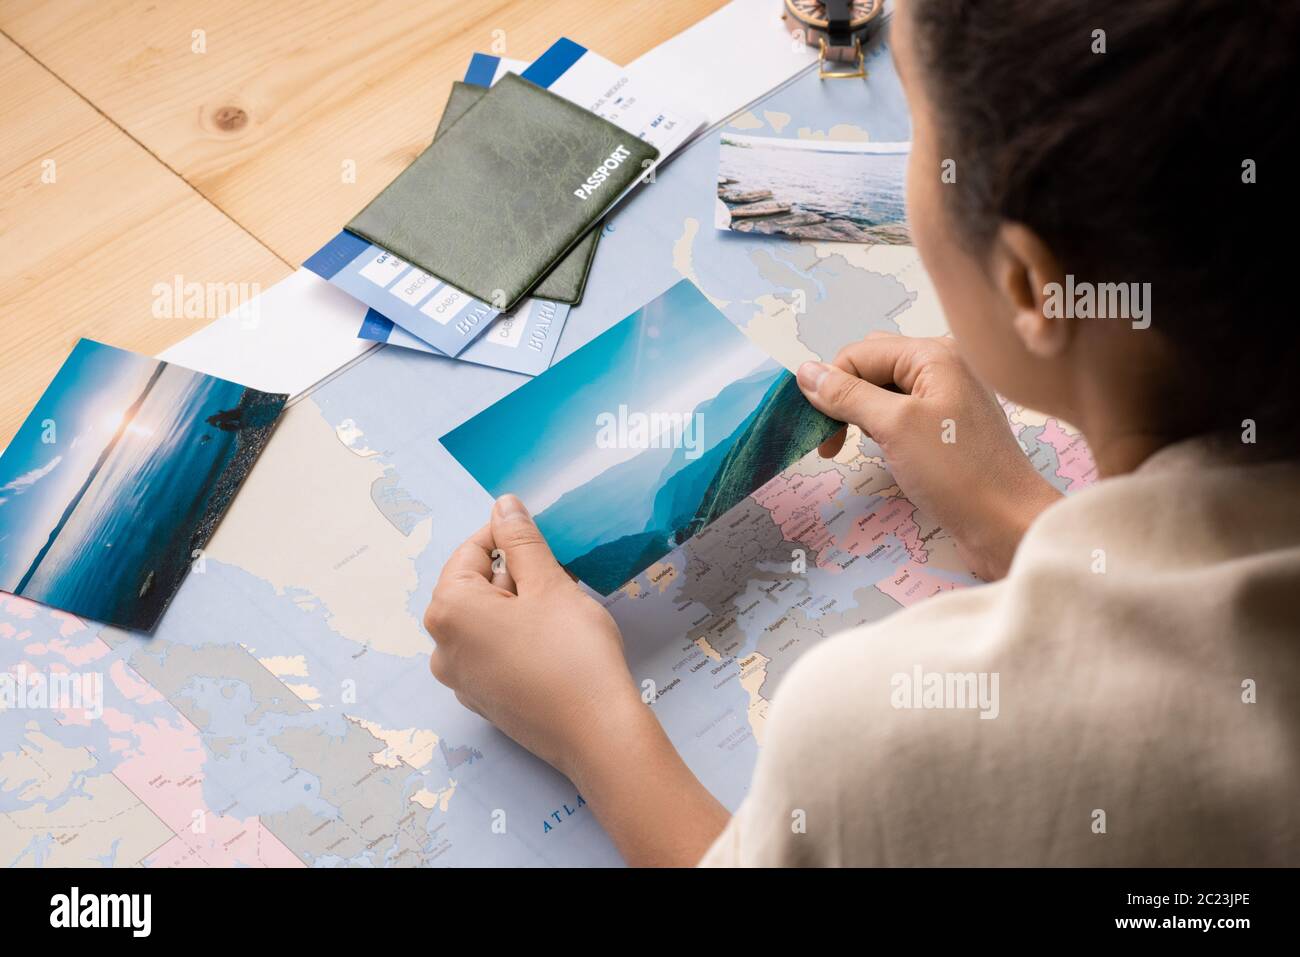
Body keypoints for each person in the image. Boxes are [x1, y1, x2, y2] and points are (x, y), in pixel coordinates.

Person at [421, 0, 1299, 866]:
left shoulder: (891, 733)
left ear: (1033, 287)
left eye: (921, 133)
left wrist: (590, 724)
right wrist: (1011, 514)